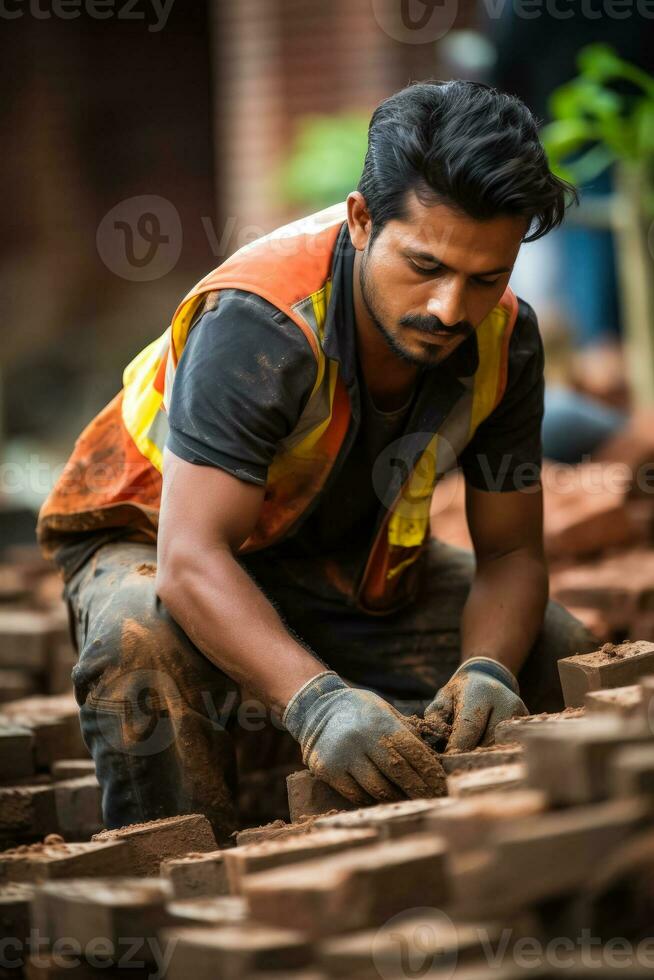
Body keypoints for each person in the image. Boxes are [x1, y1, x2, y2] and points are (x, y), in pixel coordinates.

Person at [38, 80, 594, 843]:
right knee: (141, 638)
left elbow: (510, 552)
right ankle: (178, 902)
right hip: (153, 537)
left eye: (486, 277)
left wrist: (490, 670)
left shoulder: (505, 338)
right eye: (425, 265)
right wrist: (316, 703)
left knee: (555, 648)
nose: (449, 309)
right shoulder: (260, 322)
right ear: (362, 221)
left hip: (343, 558)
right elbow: (191, 559)